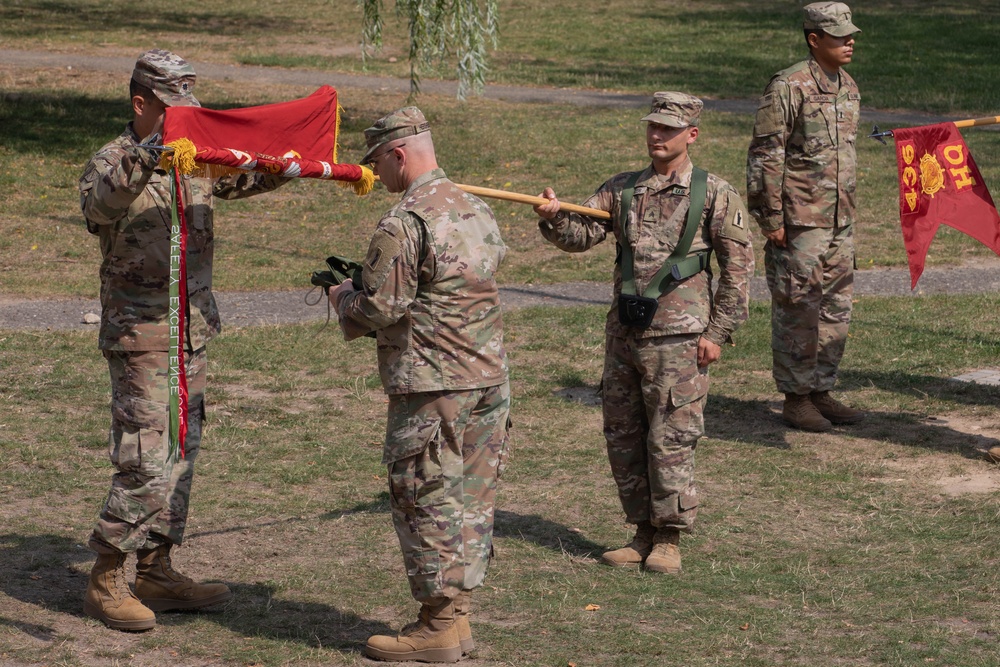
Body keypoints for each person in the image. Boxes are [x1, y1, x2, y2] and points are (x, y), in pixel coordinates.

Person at [79, 49, 288, 631]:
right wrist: (152, 154)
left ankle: (156, 568)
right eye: (174, 110)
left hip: (190, 330)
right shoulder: (112, 161)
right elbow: (101, 206)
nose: (185, 121)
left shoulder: (195, 160)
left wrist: (293, 154)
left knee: (182, 453)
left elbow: (251, 173)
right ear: (140, 102)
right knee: (146, 458)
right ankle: (105, 576)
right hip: (141, 333)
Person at [533, 93, 754, 574]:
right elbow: (581, 236)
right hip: (625, 335)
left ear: (691, 135)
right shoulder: (621, 189)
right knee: (624, 434)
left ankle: (669, 538)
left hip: (680, 338)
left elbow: (739, 269)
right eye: (652, 127)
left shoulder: (714, 193)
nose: (657, 136)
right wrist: (553, 219)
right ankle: (640, 531)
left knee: (672, 436)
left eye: (668, 129)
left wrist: (719, 331)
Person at [328, 107, 510, 663]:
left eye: (378, 162)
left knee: (425, 498)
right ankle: (456, 621)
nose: (376, 174)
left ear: (398, 154)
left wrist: (342, 299)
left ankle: (435, 627)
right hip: (488, 379)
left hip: (432, 386)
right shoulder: (476, 207)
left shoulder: (403, 222)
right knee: (471, 501)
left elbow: (383, 306)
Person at [746, 2, 864, 432]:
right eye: (838, 35)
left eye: (850, 34)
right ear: (814, 39)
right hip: (798, 220)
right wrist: (770, 217)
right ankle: (795, 398)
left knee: (836, 307)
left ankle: (820, 390)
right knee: (798, 305)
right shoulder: (788, 85)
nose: (849, 41)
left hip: (839, 218)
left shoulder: (848, 85)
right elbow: (765, 153)